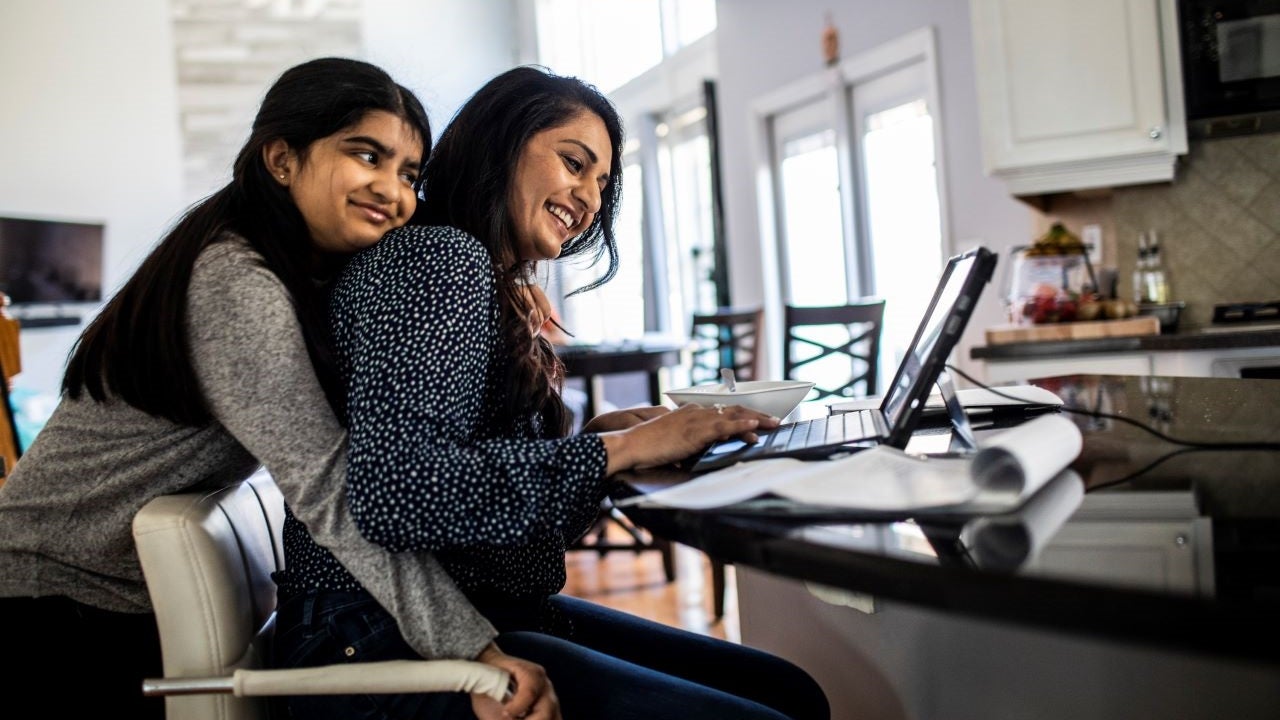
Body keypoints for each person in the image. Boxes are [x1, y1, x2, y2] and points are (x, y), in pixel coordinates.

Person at [271, 65, 831, 720]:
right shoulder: (437, 260)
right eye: (574, 163)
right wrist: (620, 453)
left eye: (602, 183)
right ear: (502, 145)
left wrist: (600, 445)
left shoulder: (473, 273)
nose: (589, 198)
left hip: (455, 613)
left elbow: (508, 549)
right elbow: (398, 495)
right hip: (369, 641)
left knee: (790, 693)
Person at [0, 57, 548, 719]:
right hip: (48, 595)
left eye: (408, 173)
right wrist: (474, 654)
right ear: (283, 160)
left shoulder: (305, 270)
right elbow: (328, 488)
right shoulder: (237, 283)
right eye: (366, 155)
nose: (393, 191)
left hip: (106, 589)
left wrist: (503, 290)